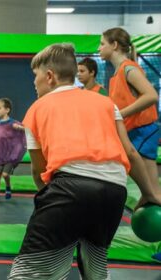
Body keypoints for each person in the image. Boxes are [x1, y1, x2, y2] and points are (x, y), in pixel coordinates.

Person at [8, 43, 161, 279]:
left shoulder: (37, 108)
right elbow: (130, 152)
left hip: (68, 189)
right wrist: (150, 193)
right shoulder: (106, 103)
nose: (34, 82)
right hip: (114, 192)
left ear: (49, 76)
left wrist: (54, 204)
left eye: (35, 76)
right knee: (95, 268)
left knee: (30, 273)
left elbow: (39, 170)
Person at [99, 27, 160, 203]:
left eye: (102, 44)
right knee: (148, 194)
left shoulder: (129, 69)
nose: (99, 49)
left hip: (143, 131)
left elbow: (151, 96)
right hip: (133, 132)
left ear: (115, 45)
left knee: (154, 193)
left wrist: (120, 114)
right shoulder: (118, 73)